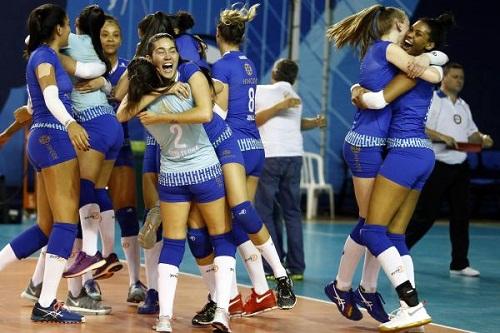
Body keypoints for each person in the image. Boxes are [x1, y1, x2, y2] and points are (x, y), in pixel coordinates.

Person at [324, 5, 445, 331]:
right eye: (411, 29)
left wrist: (359, 94)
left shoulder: (409, 69)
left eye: (418, 33)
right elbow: (434, 68)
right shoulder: (402, 61)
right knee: (387, 232)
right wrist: (358, 90)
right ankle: (370, 293)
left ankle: (405, 302)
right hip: (403, 152)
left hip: (400, 153)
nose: (411, 35)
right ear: (399, 26)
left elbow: (380, 98)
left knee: (374, 229)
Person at [119, 39, 237, 331]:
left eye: (172, 50)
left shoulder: (175, 81)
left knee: (187, 241)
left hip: (182, 172)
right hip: (195, 172)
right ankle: (209, 312)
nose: (169, 55)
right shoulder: (166, 85)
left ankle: (184, 316)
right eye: (161, 51)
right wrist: (165, 92)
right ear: (150, 59)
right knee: (214, 238)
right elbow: (204, 113)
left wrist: (160, 110)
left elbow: (205, 113)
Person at [0, 3, 88, 323]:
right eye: (68, 25)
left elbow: (27, 108)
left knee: (46, 227)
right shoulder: (46, 57)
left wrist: (8, 133)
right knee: (66, 224)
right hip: (53, 139)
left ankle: (44, 297)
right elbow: (49, 99)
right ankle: (48, 302)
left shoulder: (38, 58)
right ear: (59, 29)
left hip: (39, 140)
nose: (70, 31)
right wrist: (71, 124)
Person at [212, 3, 296, 313]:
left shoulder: (221, 66)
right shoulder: (248, 63)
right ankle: (261, 291)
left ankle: (245, 289)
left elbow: (219, 113)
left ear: (219, 33)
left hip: (232, 147)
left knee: (226, 221)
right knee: (240, 220)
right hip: (256, 148)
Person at [405, 62, 493, 277]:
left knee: (461, 215)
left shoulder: (463, 105)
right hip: (437, 164)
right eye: (455, 77)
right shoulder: (434, 100)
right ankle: (396, 253)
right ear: (444, 78)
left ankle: (459, 263)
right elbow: (420, 127)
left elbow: (471, 132)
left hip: (460, 165)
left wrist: (482, 139)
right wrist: (442, 136)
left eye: (461, 77)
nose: (459, 81)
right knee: (426, 215)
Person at [254, 58, 326, 281]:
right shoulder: (295, 96)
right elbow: (294, 123)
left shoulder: (261, 91)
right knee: (291, 213)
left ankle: (271, 267)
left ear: (274, 72)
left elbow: (256, 120)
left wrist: (276, 108)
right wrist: (314, 122)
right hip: (293, 157)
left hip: (271, 157)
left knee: (264, 212)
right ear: (294, 78)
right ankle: (296, 268)